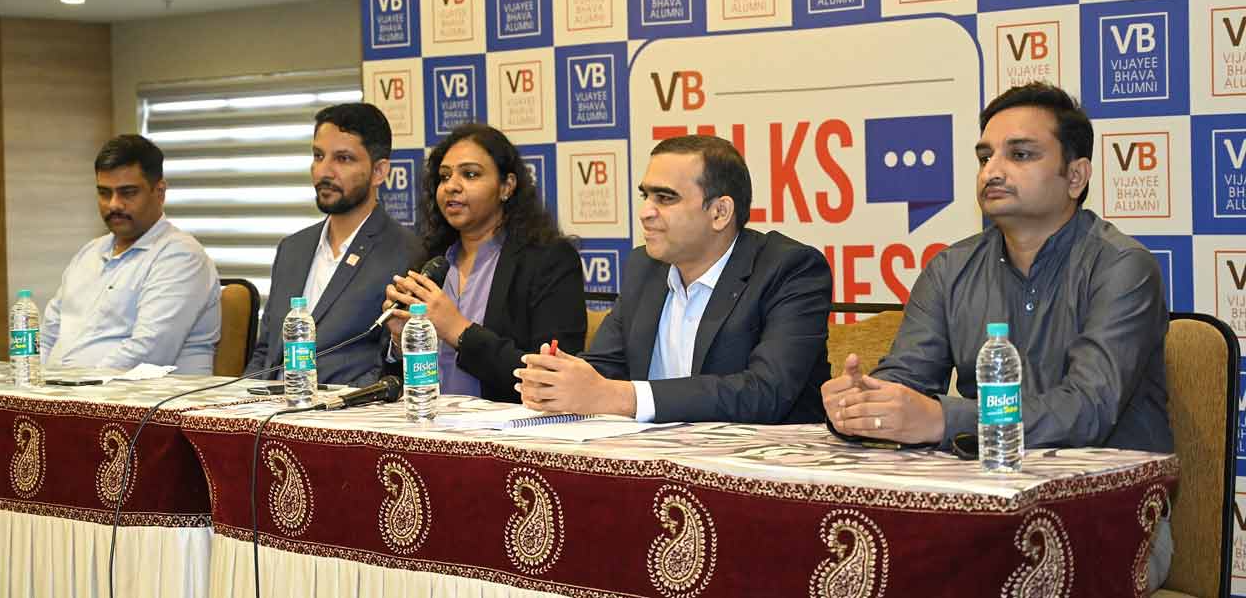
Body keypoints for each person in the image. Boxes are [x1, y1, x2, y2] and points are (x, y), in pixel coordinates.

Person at [821, 82, 1171, 590]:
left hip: (1110, 519)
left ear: (1076, 176)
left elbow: (1088, 410)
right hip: (977, 509)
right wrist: (862, 406)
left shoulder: (1122, 268)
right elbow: (905, 381)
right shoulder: (951, 268)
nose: (993, 171)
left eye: (1020, 154)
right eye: (985, 156)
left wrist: (942, 418)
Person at [514, 135, 832, 424]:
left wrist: (621, 397)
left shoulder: (789, 269)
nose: (645, 212)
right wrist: (558, 383)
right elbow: (605, 368)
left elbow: (765, 392)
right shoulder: (644, 266)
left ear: (720, 212)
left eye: (665, 198)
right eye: (646, 196)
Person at [382, 123, 585, 401]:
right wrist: (400, 340)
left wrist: (458, 330)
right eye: (444, 177)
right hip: (430, 425)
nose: (451, 186)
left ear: (507, 186)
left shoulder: (548, 260)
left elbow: (554, 376)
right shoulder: (432, 261)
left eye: (470, 174)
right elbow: (394, 379)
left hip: (510, 431)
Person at [246, 103, 424, 387]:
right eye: (318, 156)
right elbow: (266, 351)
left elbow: (391, 367)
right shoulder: (292, 248)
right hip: (267, 411)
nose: (324, 171)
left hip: (343, 416)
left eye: (343, 159)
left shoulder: (407, 253)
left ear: (379, 171)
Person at [41, 135, 221, 374]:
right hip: (65, 396)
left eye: (128, 192)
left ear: (160, 191)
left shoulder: (180, 255)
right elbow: (47, 335)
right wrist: (34, 384)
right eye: (104, 193)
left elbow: (149, 352)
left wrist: (74, 389)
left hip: (145, 401)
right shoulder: (89, 253)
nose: (114, 204)